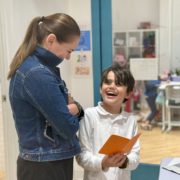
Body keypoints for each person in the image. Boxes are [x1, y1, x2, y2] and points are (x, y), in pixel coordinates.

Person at [7, 13, 84, 180]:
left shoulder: (38, 69)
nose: (68, 57)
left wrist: (73, 109)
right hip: (45, 166)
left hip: (47, 161)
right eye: (68, 50)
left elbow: (65, 110)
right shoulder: (37, 74)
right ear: (51, 40)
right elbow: (67, 127)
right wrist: (74, 109)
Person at [76, 65, 140, 180]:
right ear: (101, 89)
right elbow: (81, 156)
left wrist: (125, 161)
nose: (112, 86)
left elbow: (135, 157)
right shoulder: (89, 115)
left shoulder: (131, 120)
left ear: (128, 94)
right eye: (108, 82)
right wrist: (103, 162)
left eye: (118, 84)